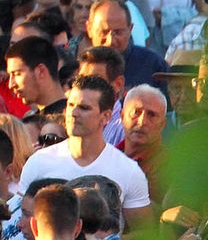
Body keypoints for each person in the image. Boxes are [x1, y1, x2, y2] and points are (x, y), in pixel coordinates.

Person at [17, 76, 150, 225]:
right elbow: (19, 220)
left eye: (84, 108)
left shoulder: (129, 170)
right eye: (70, 105)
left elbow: (142, 233)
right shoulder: (39, 162)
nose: (73, 113)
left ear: (106, 116)